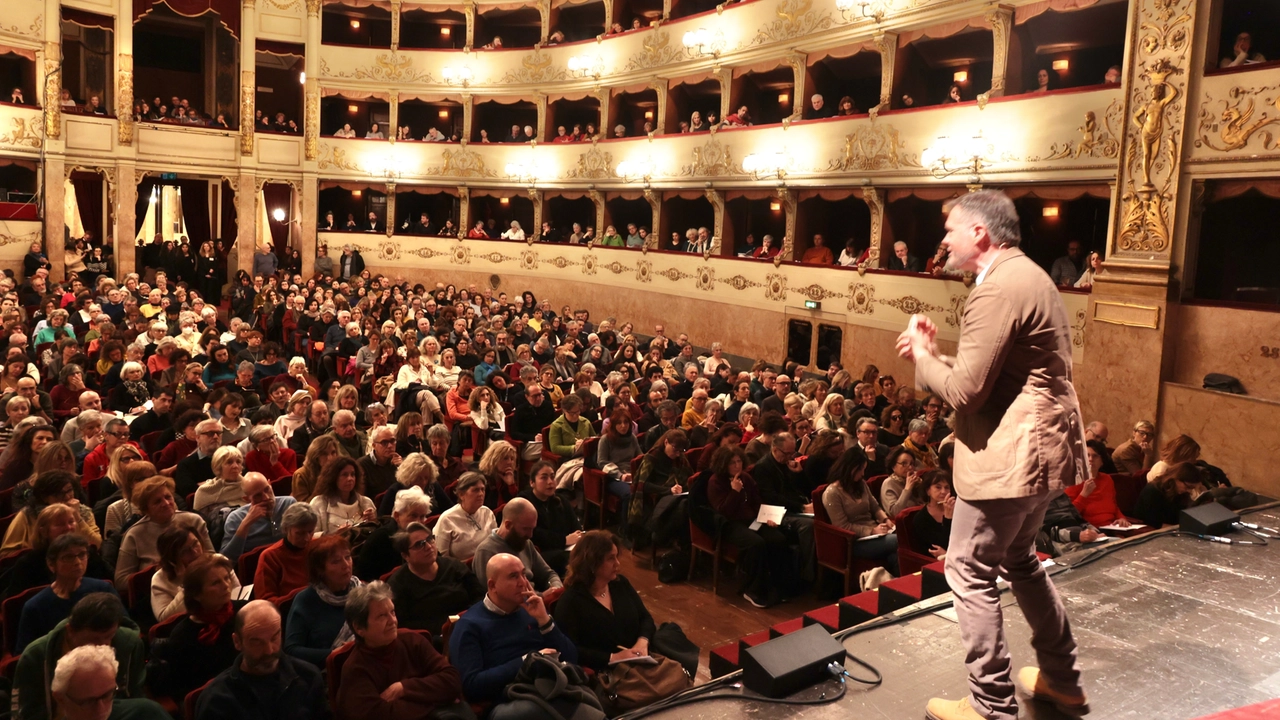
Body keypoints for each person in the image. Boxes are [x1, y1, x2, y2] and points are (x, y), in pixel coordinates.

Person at [895, 190, 1088, 720]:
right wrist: (934, 359)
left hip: (1011, 459)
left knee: (967, 570)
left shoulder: (997, 288)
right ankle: (1062, 679)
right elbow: (994, 375)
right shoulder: (1026, 276)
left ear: (980, 233)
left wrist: (924, 355)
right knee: (1021, 561)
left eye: (952, 229)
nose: (944, 240)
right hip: (1042, 453)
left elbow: (963, 393)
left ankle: (991, 707)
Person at [448, 553, 579, 713]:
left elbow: (572, 658)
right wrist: (527, 661)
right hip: (506, 700)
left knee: (582, 694)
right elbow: (471, 686)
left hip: (546, 686)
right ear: (492, 585)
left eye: (524, 574)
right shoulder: (469, 625)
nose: (523, 583)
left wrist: (545, 621)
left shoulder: (532, 611)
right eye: (513, 576)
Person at [336, 581, 468, 719]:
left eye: (392, 612)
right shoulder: (355, 670)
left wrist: (404, 688)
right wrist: (435, 699)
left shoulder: (412, 640)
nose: (392, 620)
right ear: (359, 628)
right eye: (382, 616)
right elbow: (381, 715)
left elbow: (452, 680)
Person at [14, 593, 148, 720]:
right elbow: (25, 712)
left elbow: (133, 696)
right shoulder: (35, 656)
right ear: (70, 631)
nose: (102, 646)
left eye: (109, 637)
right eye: (93, 639)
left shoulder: (129, 645)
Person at [193, 600, 329, 720]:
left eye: (274, 638)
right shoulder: (217, 701)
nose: (269, 651)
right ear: (237, 642)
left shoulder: (309, 677)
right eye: (257, 642)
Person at [553, 531, 665, 673]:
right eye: (611, 558)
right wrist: (613, 657)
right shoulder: (570, 601)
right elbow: (570, 649)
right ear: (592, 563)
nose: (617, 563)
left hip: (641, 659)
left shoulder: (619, 584)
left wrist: (642, 642)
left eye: (616, 557)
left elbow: (645, 617)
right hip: (607, 672)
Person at [148, 555, 245, 702]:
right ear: (197, 595)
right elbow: (185, 692)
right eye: (216, 583)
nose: (226, 585)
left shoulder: (243, 611)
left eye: (226, 578)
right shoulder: (183, 636)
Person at [14, 534, 117, 653]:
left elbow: (124, 627)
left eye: (82, 555)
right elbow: (25, 654)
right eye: (68, 557)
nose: (78, 562)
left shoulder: (103, 589)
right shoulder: (35, 606)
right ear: (51, 565)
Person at [114, 476, 214, 588]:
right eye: (157, 501)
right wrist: (159, 573)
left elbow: (211, 556)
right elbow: (120, 581)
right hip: (157, 590)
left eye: (168, 497)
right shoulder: (134, 534)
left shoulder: (194, 521)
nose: (166, 503)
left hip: (201, 584)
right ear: (145, 510)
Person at [387, 521, 483, 635]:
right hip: (432, 642)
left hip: (471, 628)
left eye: (429, 539)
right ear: (405, 555)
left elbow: (479, 596)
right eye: (419, 544)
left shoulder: (454, 566)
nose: (428, 547)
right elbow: (403, 625)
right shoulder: (397, 584)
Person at [285, 533, 361, 667]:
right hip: (324, 673)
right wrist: (334, 654)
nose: (346, 565)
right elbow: (292, 649)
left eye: (348, 557)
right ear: (320, 570)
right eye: (336, 561)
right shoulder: (306, 600)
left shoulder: (363, 592)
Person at [821, 447, 899, 573]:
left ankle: (896, 586)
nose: (863, 474)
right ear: (849, 469)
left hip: (875, 533)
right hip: (856, 542)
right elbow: (842, 526)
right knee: (899, 540)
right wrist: (872, 530)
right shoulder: (832, 493)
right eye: (860, 469)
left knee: (896, 555)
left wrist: (885, 519)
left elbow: (875, 506)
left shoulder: (860, 484)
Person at [471, 498, 564, 595]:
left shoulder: (525, 542)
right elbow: (497, 596)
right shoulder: (486, 551)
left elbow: (548, 574)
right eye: (525, 529)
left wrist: (555, 588)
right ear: (508, 525)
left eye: (532, 529)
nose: (530, 535)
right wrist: (541, 596)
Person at [151, 524, 244, 622]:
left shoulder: (218, 561)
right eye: (185, 551)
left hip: (229, 617)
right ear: (172, 558)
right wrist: (186, 584)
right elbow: (164, 620)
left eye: (195, 544)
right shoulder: (160, 579)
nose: (195, 552)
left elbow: (238, 595)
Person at [49, 644, 168, 720]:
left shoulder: (146, 714)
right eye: (88, 702)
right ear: (60, 699)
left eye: (107, 695)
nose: (101, 710)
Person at [517, 461, 582, 577]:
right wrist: (564, 540)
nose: (550, 482)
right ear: (532, 482)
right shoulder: (525, 501)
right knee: (568, 559)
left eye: (552, 477)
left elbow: (575, 526)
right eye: (544, 478)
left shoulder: (560, 500)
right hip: (537, 553)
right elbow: (534, 535)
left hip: (563, 548)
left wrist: (578, 537)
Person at [221, 472, 296, 564]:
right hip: (257, 568)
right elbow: (226, 561)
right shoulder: (236, 518)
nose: (266, 497)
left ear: (270, 484)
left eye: (267, 489)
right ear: (247, 499)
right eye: (258, 495)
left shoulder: (288, 504)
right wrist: (245, 524)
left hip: (289, 561)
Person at [253, 503, 317, 602]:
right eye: (300, 533)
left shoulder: (316, 547)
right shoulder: (270, 556)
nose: (307, 538)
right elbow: (265, 600)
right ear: (287, 529)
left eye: (310, 532)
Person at [1062, 440, 1130, 528]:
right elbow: (1067, 515)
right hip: (1087, 529)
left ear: (1102, 461)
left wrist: (1121, 518)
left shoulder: (1107, 479)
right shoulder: (1073, 480)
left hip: (1111, 527)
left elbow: (1114, 506)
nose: (1090, 459)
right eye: (1087, 455)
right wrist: (1084, 494)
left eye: (1095, 456)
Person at [434, 472, 496, 561]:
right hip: (461, 571)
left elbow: (495, 544)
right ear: (461, 494)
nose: (481, 494)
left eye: (483, 489)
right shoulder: (447, 519)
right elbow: (442, 559)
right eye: (476, 490)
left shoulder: (487, 512)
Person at [309, 456, 377, 534]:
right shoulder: (319, 504)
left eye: (353, 474)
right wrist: (336, 536)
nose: (350, 478)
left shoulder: (366, 502)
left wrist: (373, 522)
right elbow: (311, 537)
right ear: (333, 477)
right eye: (344, 475)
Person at [1133, 462, 1207, 528]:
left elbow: (1179, 517)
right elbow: (1154, 523)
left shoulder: (1179, 493)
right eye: (1188, 487)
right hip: (1148, 530)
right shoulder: (1153, 490)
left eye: (1192, 488)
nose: (1188, 490)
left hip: (1168, 528)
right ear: (1176, 478)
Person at [912, 471, 956, 560]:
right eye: (938, 487)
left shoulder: (956, 509)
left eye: (947, 488)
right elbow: (939, 548)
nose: (943, 491)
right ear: (928, 491)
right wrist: (948, 519)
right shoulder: (921, 519)